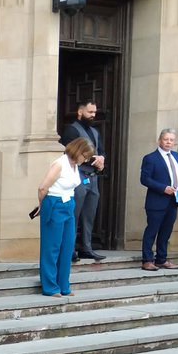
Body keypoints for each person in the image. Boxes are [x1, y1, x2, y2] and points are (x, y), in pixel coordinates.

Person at [35, 137, 96, 297]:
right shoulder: (59, 164)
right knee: (52, 247)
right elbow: (42, 188)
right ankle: (50, 286)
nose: (86, 160)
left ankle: (63, 285)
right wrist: (42, 205)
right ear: (78, 151)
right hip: (54, 203)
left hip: (68, 204)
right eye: (85, 156)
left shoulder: (74, 165)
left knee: (67, 246)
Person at [60, 99, 107, 262]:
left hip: (93, 177)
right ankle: (70, 249)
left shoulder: (95, 131)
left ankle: (86, 247)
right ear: (80, 112)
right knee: (74, 213)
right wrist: (94, 159)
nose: (93, 115)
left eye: (94, 112)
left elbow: (101, 151)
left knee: (89, 214)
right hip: (78, 174)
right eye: (90, 112)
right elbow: (70, 153)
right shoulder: (71, 130)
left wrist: (102, 160)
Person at [139, 128, 178, 271]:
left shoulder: (176, 156)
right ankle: (147, 260)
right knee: (152, 231)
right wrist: (163, 188)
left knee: (166, 232)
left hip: (173, 201)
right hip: (156, 201)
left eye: (171, 140)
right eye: (166, 139)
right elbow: (145, 179)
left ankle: (161, 259)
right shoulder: (150, 158)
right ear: (159, 140)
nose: (168, 142)